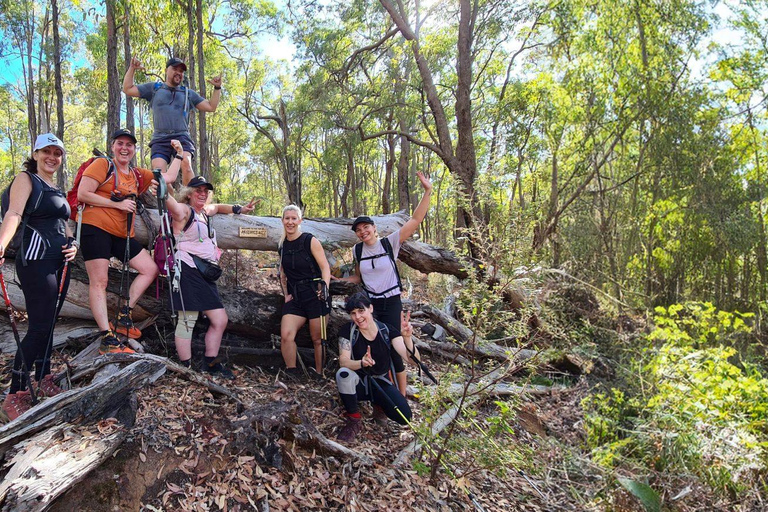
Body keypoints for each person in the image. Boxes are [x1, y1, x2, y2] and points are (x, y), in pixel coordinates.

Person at [0, 134, 78, 420]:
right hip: (36, 261)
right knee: (38, 326)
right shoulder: (26, 179)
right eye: (47, 151)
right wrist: (1, 244)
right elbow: (14, 213)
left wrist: (73, 244)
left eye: (57, 153)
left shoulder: (54, 186)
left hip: (61, 263)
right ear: (35, 153)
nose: (52, 157)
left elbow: (63, 224)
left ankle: (43, 378)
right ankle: (14, 394)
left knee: (49, 324)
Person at [163, 144, 255, 378]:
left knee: (219, 319)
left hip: (204, 273)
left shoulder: (205, 211)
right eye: (198, 190)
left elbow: (219, 207)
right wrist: (164, 185)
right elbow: (171, 205)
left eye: (205, 191)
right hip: (186, 269)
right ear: (189, 193)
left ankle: (210, 363)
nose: (202, 194)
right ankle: (186, 368)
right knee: (187, 319)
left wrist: (239, 209)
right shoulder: (185, 211)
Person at [77, 129, 173, 353]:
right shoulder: (102, 165)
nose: (124, 148)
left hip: (122, 234)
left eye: (129, 145)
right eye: (120, 143)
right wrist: (117, 205)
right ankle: (106, 338)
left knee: (150, 269)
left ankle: (124, 316)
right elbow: (83, 193)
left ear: (134, 150)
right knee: (99, 281)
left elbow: (167, 177)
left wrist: (178, 156)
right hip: (96, 229)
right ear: (113, 146)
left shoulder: (136, 174)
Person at [335, 172, 432, 329]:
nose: (363, 231)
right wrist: (338, 281)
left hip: (392, 301)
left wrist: (427, 191)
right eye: (358, 230)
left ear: (374, 228)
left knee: (394, 339)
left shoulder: (389, 243)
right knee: (375, 341)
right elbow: (358, 278)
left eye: (366, 227)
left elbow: (415, 220)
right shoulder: (357, 250)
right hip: (369, 304)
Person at [122, 56, 222, 185]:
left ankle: (188, 203)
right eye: (175, 69)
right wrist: (132, 68)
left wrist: (217, 88)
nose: (178, 73)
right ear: (166, 70)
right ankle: (169, 204)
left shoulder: (188, 94)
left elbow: (211, 107)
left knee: (186, 164)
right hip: (160, 138)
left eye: (181, 71)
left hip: (182, 136)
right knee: (159, 174)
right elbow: (128, 89)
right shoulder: (155, 88)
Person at [335, 292, 420, 442]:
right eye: (353, 313)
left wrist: (407, 339)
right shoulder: (348, 331)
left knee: (405, 417)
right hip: (359, 382)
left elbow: (412, 360)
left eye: (362, 311)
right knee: (343, 374)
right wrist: (361, 363)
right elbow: (344, 362)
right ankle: (354, 419)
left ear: (371, 309)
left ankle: (379, 405)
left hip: (381, 382)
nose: (358, 317)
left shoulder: (387, 331)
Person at [278, 205, 331, 379]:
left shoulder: (310, 240)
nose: (290, 222)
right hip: (296, 297)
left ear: (300, 221)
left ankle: (318, 373)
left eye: (294, 218)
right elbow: (283, 273)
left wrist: (325, 288)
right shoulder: (282, 245)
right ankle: (292, 372)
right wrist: (286, 294)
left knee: (318, 339)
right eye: (287, 218)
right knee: (286, 335)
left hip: (316, 294)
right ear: (282, 221)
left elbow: (325, 267)